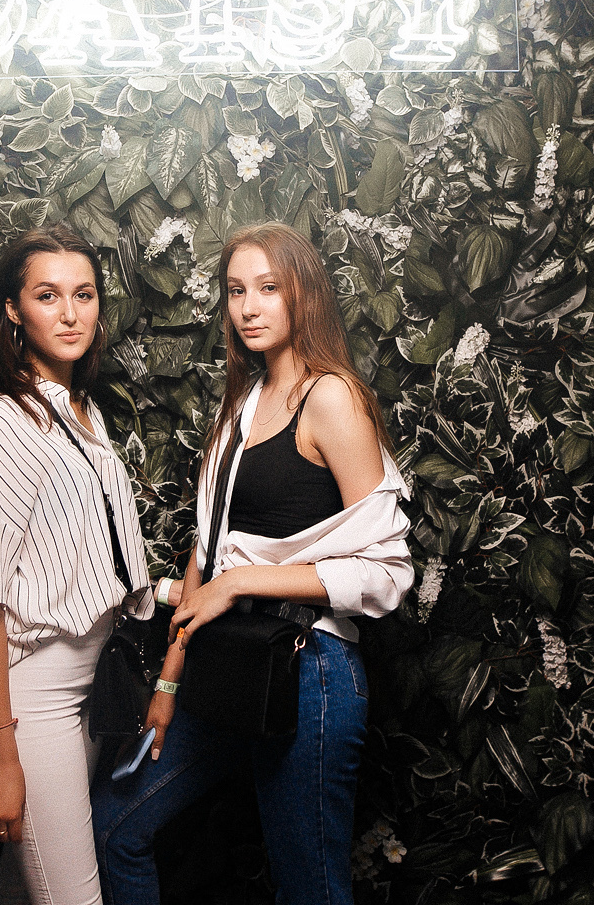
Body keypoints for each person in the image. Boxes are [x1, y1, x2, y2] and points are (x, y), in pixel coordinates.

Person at [91, 222, 413, 905]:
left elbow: (388, 573)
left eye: (268, 288)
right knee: (117, 826)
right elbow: (206, 552)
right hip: (227, 663)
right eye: (236, 290)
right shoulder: (242, 404)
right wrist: (168, 682)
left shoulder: (331, 398)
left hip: (310, 669)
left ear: (304, 295)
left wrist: (240, 582)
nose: (249, 307)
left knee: (309, 891)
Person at [0, 223, 152, 905]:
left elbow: (80, 557)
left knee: (25, 891)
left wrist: (168, 588)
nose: (69, 314)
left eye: (84, 294)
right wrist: (1, 755)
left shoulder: (81, 413)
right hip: (35, 697)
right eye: (47, 295)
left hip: (92, 688)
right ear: (13, 309)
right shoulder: (1, 422)